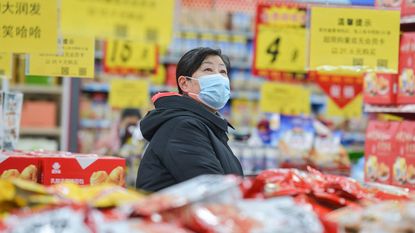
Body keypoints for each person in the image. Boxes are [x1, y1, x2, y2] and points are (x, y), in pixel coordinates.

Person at [136, 47, 243, 192]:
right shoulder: (182, 127)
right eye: (208, 70)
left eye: (223, 72)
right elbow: (212, 190)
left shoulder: (207, 125)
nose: (219, 77)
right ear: (184, 83)